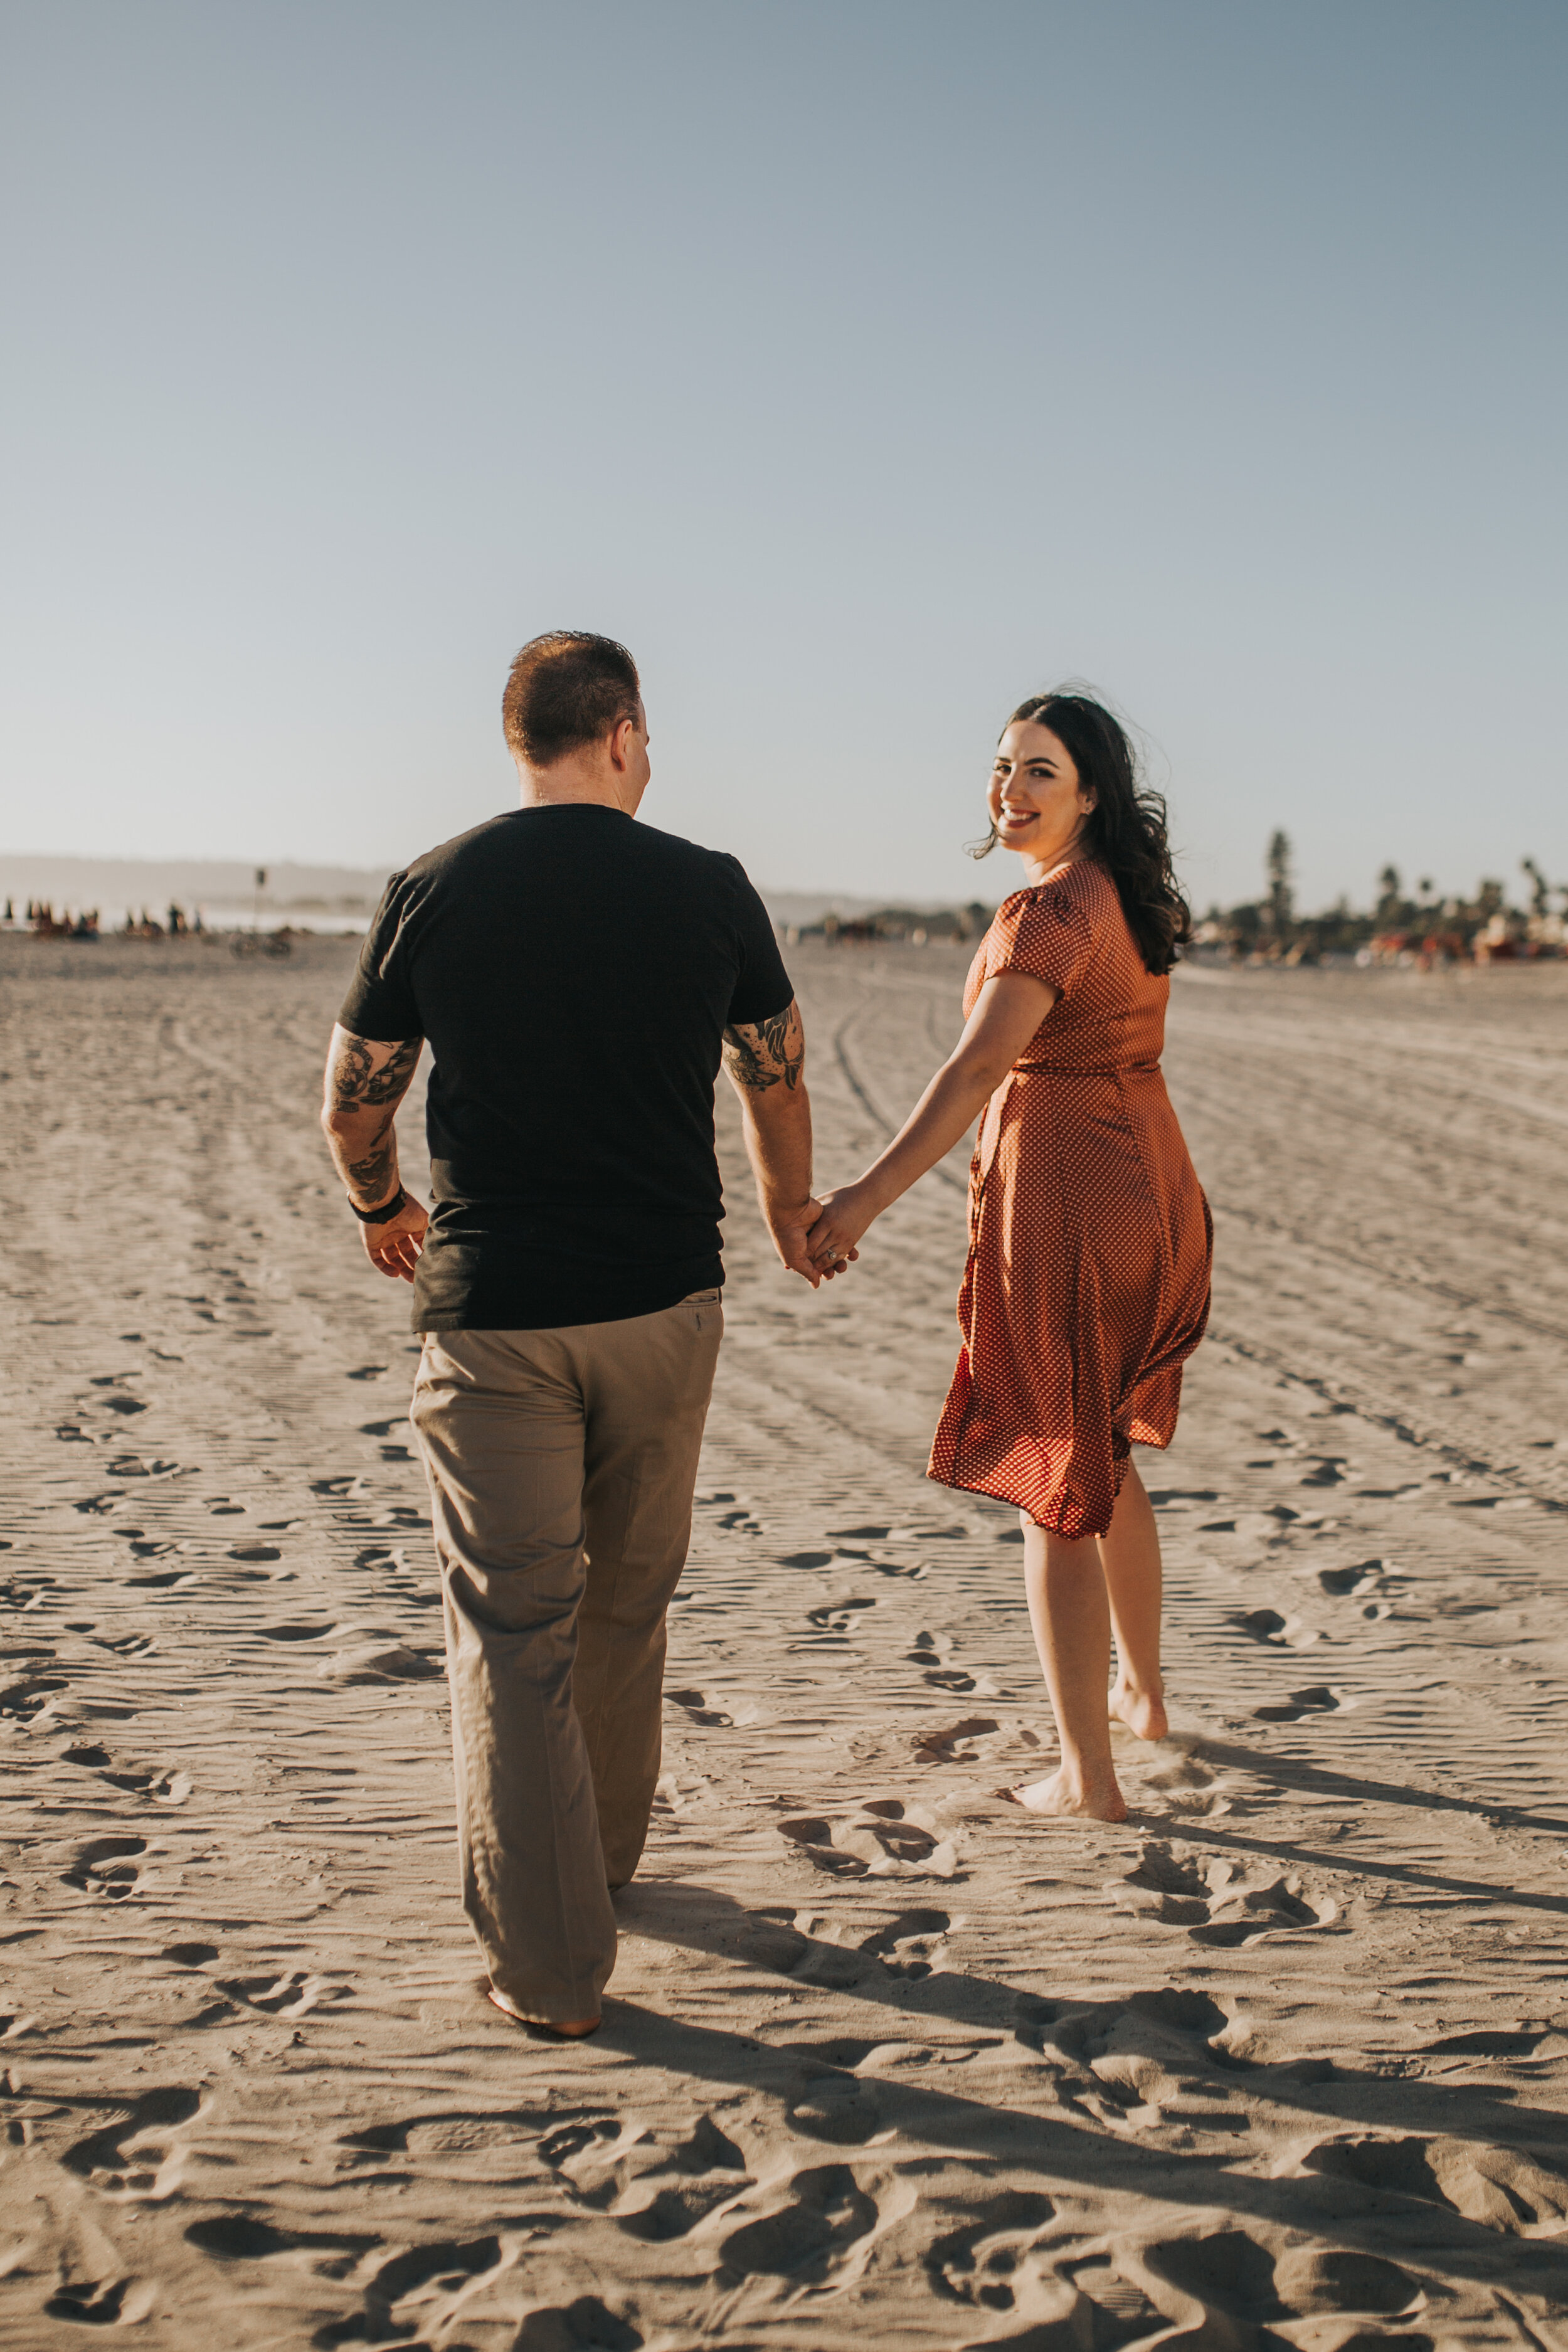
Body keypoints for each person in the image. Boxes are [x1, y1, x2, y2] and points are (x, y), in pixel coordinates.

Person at [320, 631, 841, 2037]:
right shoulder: (708, 887)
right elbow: (775, 1077)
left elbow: (355, 1103)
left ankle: (551, 1971)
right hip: (665, 1306)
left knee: (512, 1630)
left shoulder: (433, 885)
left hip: (494, 1318)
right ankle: (595, 1871)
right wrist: (792, 1212)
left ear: (520, 741)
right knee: (623, 1604)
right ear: (621, 732)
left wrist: (382, 1206)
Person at [807, 691, 1211, 1822]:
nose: (1011, 789)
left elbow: (979, 1068)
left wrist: (862, 1199)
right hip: (1153, 1194)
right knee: (1107, 1455)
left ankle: (1087, 1776)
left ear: (1091, 791)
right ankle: (1144, 1695)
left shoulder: (1051, 911)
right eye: (1002, 766)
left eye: (1042, 770)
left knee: (1051, 1484)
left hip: (1073, 1208)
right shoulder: (1125, 898)